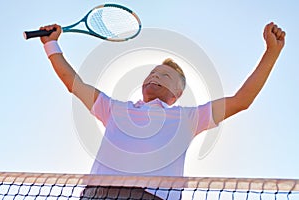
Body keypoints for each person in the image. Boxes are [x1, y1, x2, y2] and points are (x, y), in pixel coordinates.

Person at [39, 22, 285, 199]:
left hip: (154, 197)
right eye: (153, 73)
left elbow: (241, 100)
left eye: (165, 75)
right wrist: (51, 45)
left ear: (178, 93)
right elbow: (74, 83)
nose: (156, 76)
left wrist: (271, 53)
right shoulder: (115, 109)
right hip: (99, 194)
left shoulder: (188, 118)